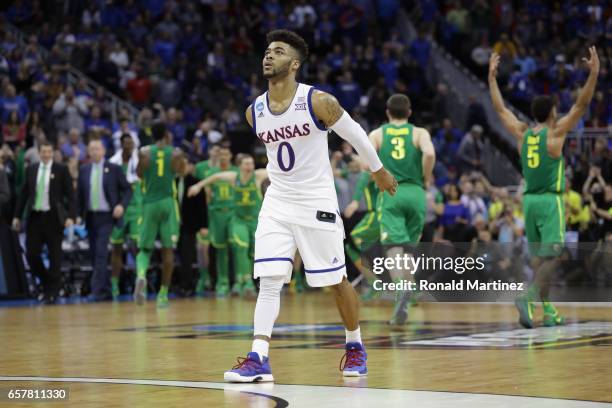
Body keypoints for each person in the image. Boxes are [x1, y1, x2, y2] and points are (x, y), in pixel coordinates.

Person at [223, 29, 396, 383]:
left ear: (295, 63)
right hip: (277, 202)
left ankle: (354, 345)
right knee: (269, 281)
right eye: (267, 50)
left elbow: (356, 134)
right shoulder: (253, 111)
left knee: (336, 281)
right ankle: (259, 357)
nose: (268, 55)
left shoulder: (318, 101)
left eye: (279, 51)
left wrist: (377, 170)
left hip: (316, 202)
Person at [488, 46, 599, 328]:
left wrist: (491, 79)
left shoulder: (522, 133)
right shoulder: (555, 133)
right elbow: (581, 105)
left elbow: (500, 109)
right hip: (550, 201)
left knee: (540, 259)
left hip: (529, 202)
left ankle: (548, 310)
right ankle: (529, 296)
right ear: (551, 112)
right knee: (554, 255)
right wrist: (594, 73)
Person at [369, 93, 436, 325]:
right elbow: (429, 153)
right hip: (416, 192)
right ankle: (408, 290)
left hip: (391, 191)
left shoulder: (377, 134)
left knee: (393, 247)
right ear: (409, 112)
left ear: (387, 112)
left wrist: (378, 178)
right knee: (408, 248)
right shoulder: (419, 133)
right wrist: (426, 179)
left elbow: (367, 160)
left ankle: (400, 291)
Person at [189, 154, 267, 296]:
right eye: (246, 164)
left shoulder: (258, 176)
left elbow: (279, 173)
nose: (250, 166)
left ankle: (244, 281)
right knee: (240, 245)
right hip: (238, 220)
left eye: (251, 163)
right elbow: (216, 177)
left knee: (252, 252)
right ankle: (244, 281)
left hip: (255, 221)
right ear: (240, 166)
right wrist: (198, 186)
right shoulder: (233, 177)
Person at [12, 141, 76, 304]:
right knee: (31, 254)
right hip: (35, 217)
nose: (47, 155)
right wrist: (17, 216)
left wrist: (71, 216)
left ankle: (52, 292)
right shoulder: (31, 169)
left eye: (49, 152)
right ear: (39, 153)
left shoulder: (61, 169)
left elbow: (71, 195)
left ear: (53, 153)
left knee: (55, 256)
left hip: (54, 218)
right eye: (44, 152)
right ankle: (49, 281)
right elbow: (24, 194)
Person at [133, 121, 185, 308]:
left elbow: (139, 174)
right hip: (168, 204)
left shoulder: (144, 153)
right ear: (166, 134)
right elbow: (181, 172)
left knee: (145, 249)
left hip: (149, 203)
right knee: (168, 250)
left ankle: (140, 276)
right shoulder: (176, 153)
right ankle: (163, 295)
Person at [77, 139, 131, 301]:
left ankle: (97, 291)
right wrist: (78, 214)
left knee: (101, 252)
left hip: (107, 216)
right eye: (91, 149)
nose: (94, 152)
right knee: (93, 254)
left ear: (103, 151)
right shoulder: (84, 169)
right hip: (90, 217)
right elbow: (80, 195)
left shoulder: (113, 169)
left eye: (97, 149)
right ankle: (106, 289)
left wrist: (121, 205)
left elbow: (128, 189)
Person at [199, 144, 238, 296]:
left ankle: (239, 282)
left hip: (234, 213)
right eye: (221, 154)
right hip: (217, 214)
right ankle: (223, 282)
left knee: (237, 247)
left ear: (231, 156)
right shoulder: (211, 173)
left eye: (226, 154)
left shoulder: (237, 172)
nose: (223, 157)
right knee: (221, 249)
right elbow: (208, 198)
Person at [108, 134, 142, 300]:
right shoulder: (113, 162)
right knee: (117, 248)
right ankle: (115, 283)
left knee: (137, 246)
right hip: (120, 209)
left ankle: (140, 280)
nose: (130, 146)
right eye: (127, 143)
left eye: (132, 143)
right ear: (121, 145)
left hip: (136, 208)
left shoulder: (140, 161)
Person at [343, 164, 381, 301]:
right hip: (386, 215)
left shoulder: (371, 168)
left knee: (354, 240)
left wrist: (354, 202)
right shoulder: (385, 168)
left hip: (376, 215)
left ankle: (374, 283)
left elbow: (363, 181)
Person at [175, 156, 207, 297]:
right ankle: (176, 284)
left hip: (189, 226)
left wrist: (203, 225)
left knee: (187, 256)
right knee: (177, 256)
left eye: (185, 164)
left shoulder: (196, 183)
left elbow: (202, 207)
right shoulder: (172, 182)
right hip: (173, 226)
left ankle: (187, 285)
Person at [193, 144, 220, 294]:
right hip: (204, 211)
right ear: (209, 151)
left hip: (219, 212)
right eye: (214, 149)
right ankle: (204, 277)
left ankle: (223, 280)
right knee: (201, 247)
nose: (216, 152)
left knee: (220, 248)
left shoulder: (225, 168)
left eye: (219, 150)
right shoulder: (200, 167)